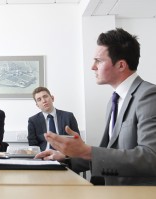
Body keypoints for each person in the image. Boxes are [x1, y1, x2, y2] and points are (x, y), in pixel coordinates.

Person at [35, 28, 156, 185]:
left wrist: (86, 150)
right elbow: (109, 152)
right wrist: (66, 157)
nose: (93, 67)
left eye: (99, 60)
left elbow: (151, 158)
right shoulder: (113, 101)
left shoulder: (148, 95)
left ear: (120, 65)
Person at [28, 86, 80, 151]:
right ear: (37, 105)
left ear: (52, 98)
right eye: (39, 99)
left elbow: (77, 140)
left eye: (45, 96)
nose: (44, 101)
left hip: (64, 155)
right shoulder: (33, 121)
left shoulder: (68, 116)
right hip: (44, 157)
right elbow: (33, 146)